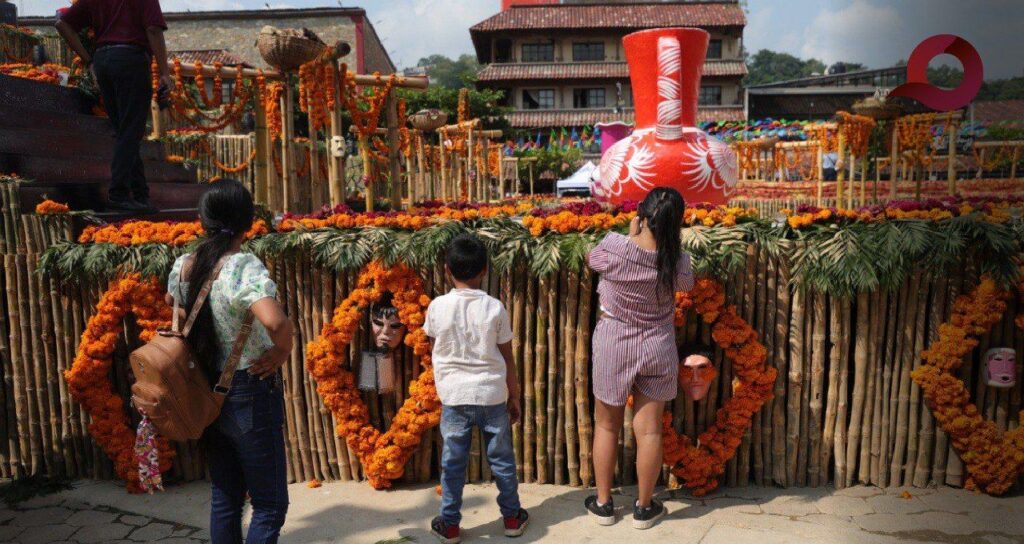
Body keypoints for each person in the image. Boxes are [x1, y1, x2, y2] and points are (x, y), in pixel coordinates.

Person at [166, 180, 292, 544]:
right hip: (247, 390)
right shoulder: (241, 266)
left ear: (202, 220)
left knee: (225, 499)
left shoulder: (184, 265)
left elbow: (172, 307)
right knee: (269, 505)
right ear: (248, 221)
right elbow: (275, 321)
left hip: (203, 390)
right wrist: (282, 349)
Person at [585, 187, 694, 530]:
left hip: (615, 339)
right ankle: (644, 508)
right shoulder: (677, 259)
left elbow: (593, 260)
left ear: (642, 216)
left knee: (607, 424)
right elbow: (687, 286)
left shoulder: (616, 246)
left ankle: (604, 504)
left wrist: (630, 235)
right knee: (649, 431)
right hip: (657, 344)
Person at [423, 234, 529, 544]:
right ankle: (511, 518)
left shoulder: (437, 307)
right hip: (492, 395)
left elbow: (435, 351)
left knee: (453, 463)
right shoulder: (495, 308)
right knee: (503, 461)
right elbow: (507, 357)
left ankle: (451, 525)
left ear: (447, 269)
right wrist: (516, 396)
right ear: (484, 270)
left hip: (454, 397)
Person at [55, 0, 174, 213]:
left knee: (125, 131)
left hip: (103, 61)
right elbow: (154, 30)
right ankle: (119, 192)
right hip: (131, 59)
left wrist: (89, 60)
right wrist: (165, 73)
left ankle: (140, 195)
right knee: (131, 130)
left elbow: (62, 25)